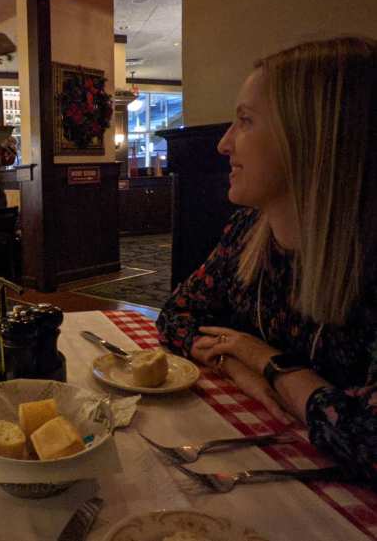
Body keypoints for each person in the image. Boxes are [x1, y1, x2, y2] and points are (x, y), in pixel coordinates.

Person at [156, 36, 376, 484]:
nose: (223, 144)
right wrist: (233, 362)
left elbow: (368, 443)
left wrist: (266, 360)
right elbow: (175, 314)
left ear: (312, 139)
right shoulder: (247, 233)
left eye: (246, 122)